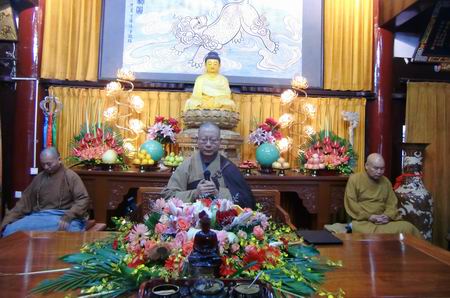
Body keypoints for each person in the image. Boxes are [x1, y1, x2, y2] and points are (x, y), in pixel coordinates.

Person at [161, 122, 255, 209]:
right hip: (191, 222)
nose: (208, 144)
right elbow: (167, 196)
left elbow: (246, 200)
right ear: (197, 140)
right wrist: (195, 193)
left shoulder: (228, 167)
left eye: (213, 140)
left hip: (222, 223)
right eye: (204, 140)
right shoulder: (186, 166)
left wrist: (218, 193)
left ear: (220, 141)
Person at [1, 147, 90, 237]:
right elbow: (24, 202)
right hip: (39, 216)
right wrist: (7, 221)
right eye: (43, 165)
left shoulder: (70, 176)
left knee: (72, 230)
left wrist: (69, 215)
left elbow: (83, 199)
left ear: (59, 160)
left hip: (63, 216)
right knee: (9, 230)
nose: (46, 167)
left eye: (49, 164)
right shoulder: (39, 178)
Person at [344, 153, 422, 237]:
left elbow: (392, 203)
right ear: (366, 166)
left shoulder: (385, 181)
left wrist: (387, 216)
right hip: (364, 221)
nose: (379, 172)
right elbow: (351, 203)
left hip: (383, 221)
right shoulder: (355, 179)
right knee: (370, 233)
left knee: (408, 227)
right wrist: (369, 216)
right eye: (376, 168)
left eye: (382, 169)